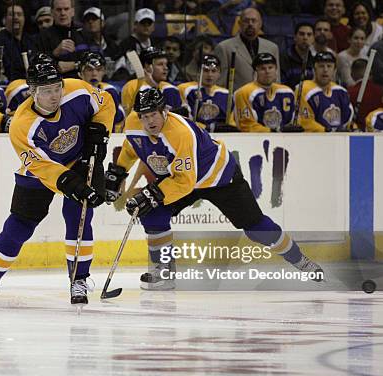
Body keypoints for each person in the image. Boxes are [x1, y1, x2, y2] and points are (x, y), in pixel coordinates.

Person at [105, 88, 323, 291]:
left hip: (218, 177)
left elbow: (184, 183)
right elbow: (132, 147)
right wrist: (117, 173)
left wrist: (151, 194)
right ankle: (164, 271)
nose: (148, 120)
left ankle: (299, 259)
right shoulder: (134, 123)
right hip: (182, 176)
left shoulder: (180, 133)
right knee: (153, 213)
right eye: (144, 115)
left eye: (153, 114)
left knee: (256, 228)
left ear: (165, 111)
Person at [0, 60, 116, 307]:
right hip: (39, 173)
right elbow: (43, 167)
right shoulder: (22, 125)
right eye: (46, 91)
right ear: (32, 92)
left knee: (78, 216)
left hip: (80, 160)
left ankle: (79, 279)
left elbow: (106, 103)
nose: (54, 95)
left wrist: (100, 129)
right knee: (19, 226)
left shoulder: (77, 90)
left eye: (57, 87)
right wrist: (72, 185)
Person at [214, 8, 281, 90]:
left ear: (260, 24)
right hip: (237, 100)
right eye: (246, 21)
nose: (250, 24)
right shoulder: (224, 48)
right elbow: (220, 83)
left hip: (266, 100)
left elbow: (276, 80)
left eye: (254, 21)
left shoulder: (272, 47)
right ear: (239, 23)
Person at [233, 53, 299, 132]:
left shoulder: (287, 92)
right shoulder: (244, 92)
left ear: (276, 70)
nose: (267, 71)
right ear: (255, 72)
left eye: (270, 68)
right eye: (262, 69)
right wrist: (275, 131)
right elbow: (246, 126)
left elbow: (294, 122)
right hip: (254, 141)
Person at [178, 54, 236, 132]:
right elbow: (182, 118)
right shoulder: (185, 89)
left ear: (219, 73)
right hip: (194, 133)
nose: (210, 75)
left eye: (213, 71)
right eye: (206, 70)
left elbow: (231, 123)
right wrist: (207, 127)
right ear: (199, 72)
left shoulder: (227, 94)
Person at [298, 52, 354, 132]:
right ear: (314, 69)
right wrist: (327, 131)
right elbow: (306, 122)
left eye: (329, 66)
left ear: (335, 70)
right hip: (314, 140)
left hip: (339, 140)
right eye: (321, 66)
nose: (325, 70)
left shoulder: (341, 92)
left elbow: (348, 121)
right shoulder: (303, 89)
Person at [33, 0, 88, 79]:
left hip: (82, 84)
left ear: (72, 11)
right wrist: (54, 54)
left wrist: (75, 65)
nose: (63, 13)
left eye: (66, 9)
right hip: (53, 84)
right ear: (52, 12)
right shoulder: (42, 36)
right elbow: (35, 65)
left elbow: (96, 60)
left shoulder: (83, 32)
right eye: (59, 10)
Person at [121, 47, 183, 116]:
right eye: (160, 64)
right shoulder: (133, 86)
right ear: (147, 66)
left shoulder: (170, 89)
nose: (166, 68)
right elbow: (131, 116)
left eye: (166, 64)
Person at [78, 51, 125, 131]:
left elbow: (112, 123)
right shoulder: (74, 93)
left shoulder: (110, 92)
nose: (94, 73)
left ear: (104, 72)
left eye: (98, 69)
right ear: (81, 73)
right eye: (89, 69)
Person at [0, 3, 36, 81]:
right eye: (12, 14)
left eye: (19, 14)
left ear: (24, 18)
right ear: (4, 19)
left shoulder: (31, 40)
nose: (16, 17)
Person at [112, 8, 158, 81]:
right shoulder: (126, 44)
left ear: (153, 26)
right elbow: (120, 69)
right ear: (135, 24)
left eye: (149, 23)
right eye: (143, 23)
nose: (146, 26)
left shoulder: (156, 44)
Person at [347, 58, 383, 128]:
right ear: (370, 73)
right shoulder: (382, 92)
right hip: (380, 132)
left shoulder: (348, 93)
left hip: (358, 133)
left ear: (351, 74)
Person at [281, 22, 315, 90]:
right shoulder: (283, 58)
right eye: (302, 34)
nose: (305, 37)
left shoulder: (315, 59)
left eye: (309, 35)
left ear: (313, 39)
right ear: (295, 37)